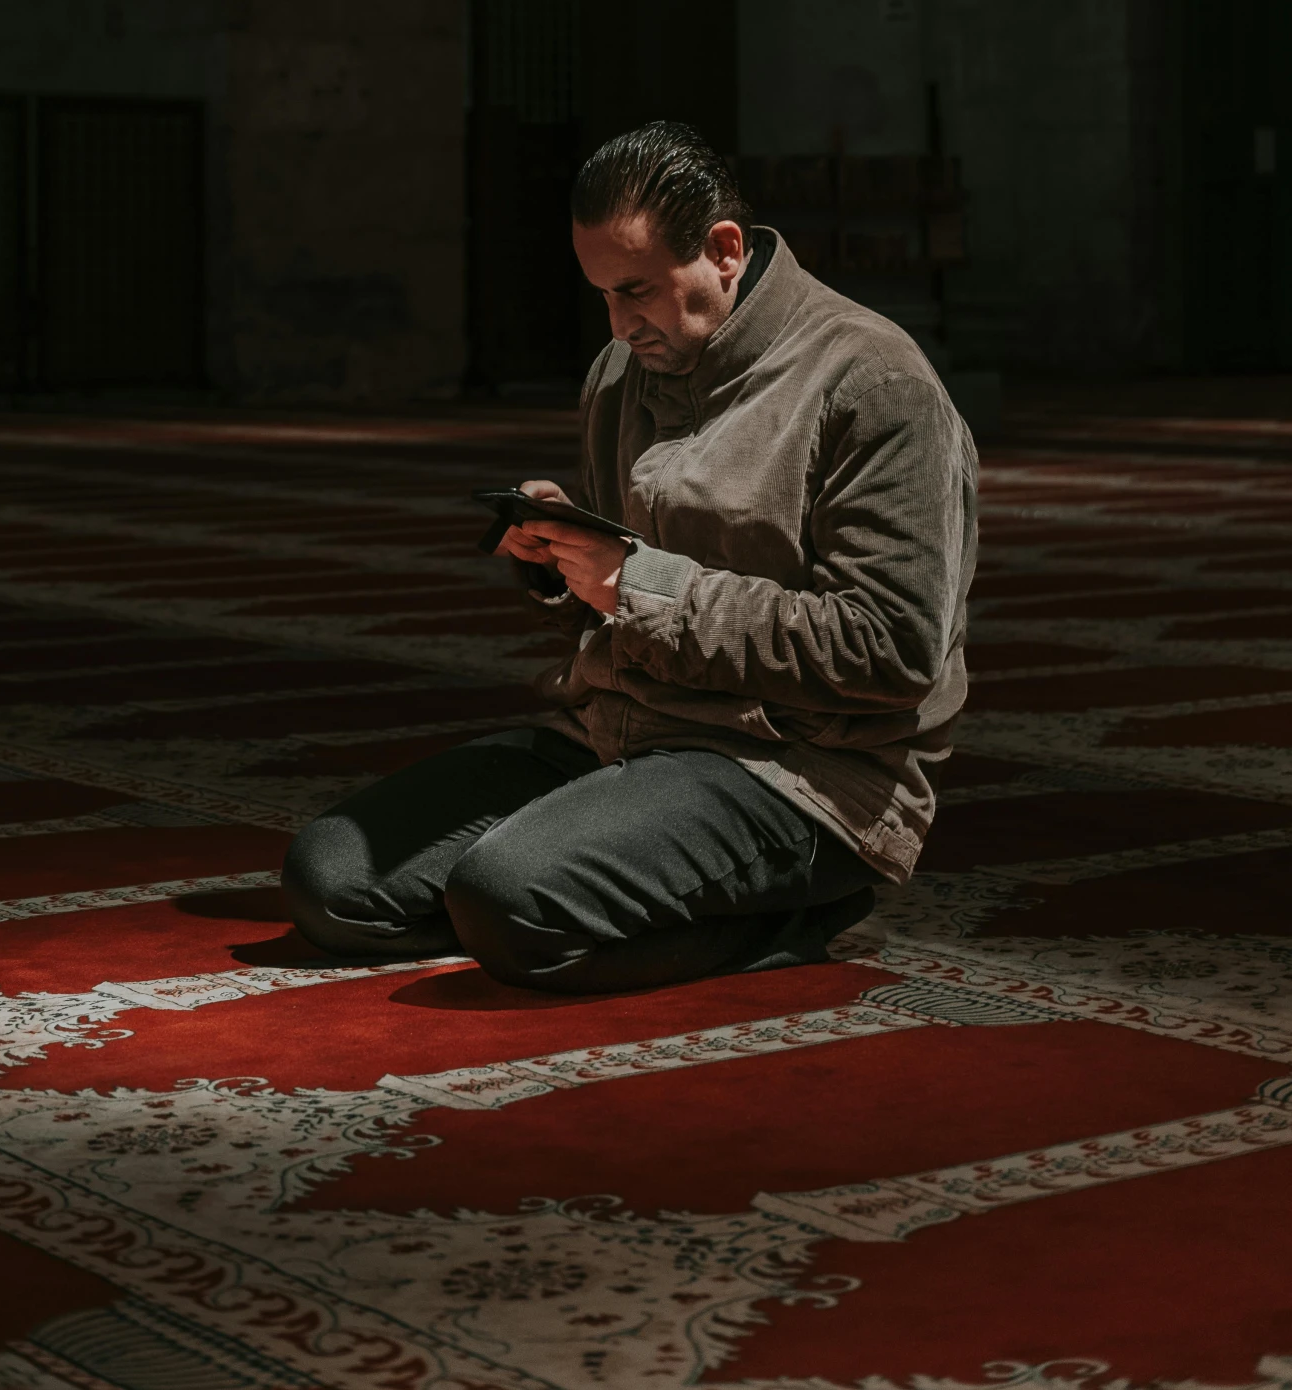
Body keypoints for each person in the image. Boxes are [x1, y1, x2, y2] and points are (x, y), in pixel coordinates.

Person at [282, 119, 977, 994]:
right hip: (617, 729)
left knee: (507, 903)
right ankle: (587, 885)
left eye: (637, 292)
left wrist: (637, 584)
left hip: (796, 769)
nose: (618, 325)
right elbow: (618, 590)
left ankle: (796, 914)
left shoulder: (873, 385)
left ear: (723, 250)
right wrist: (557, 551)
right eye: (602, 296)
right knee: (331, 883)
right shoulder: (622, 372)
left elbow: (891, 649)